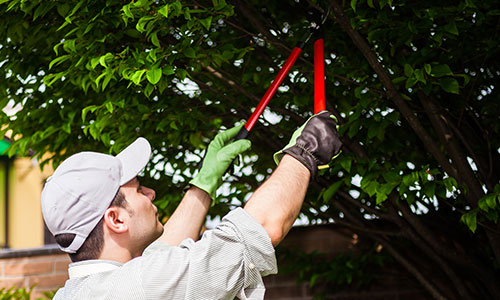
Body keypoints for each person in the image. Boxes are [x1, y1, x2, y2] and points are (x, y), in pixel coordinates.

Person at [41, 111, 342, 299]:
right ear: (116, 220)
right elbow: (259, 231)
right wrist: (304, 152)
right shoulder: (139, 288)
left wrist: (204, 183)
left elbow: (166, 258)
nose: (151, 194)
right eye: (138, 189)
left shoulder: (79, 292)